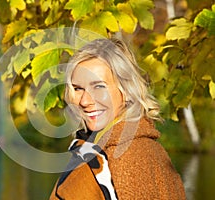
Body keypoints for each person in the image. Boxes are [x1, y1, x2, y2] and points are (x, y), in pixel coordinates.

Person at [49, 38, 186, 199]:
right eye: (78, 88)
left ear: (126, 90)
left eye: (99, 86)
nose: (85, 101)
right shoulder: (106, 149)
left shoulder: (127, 157)